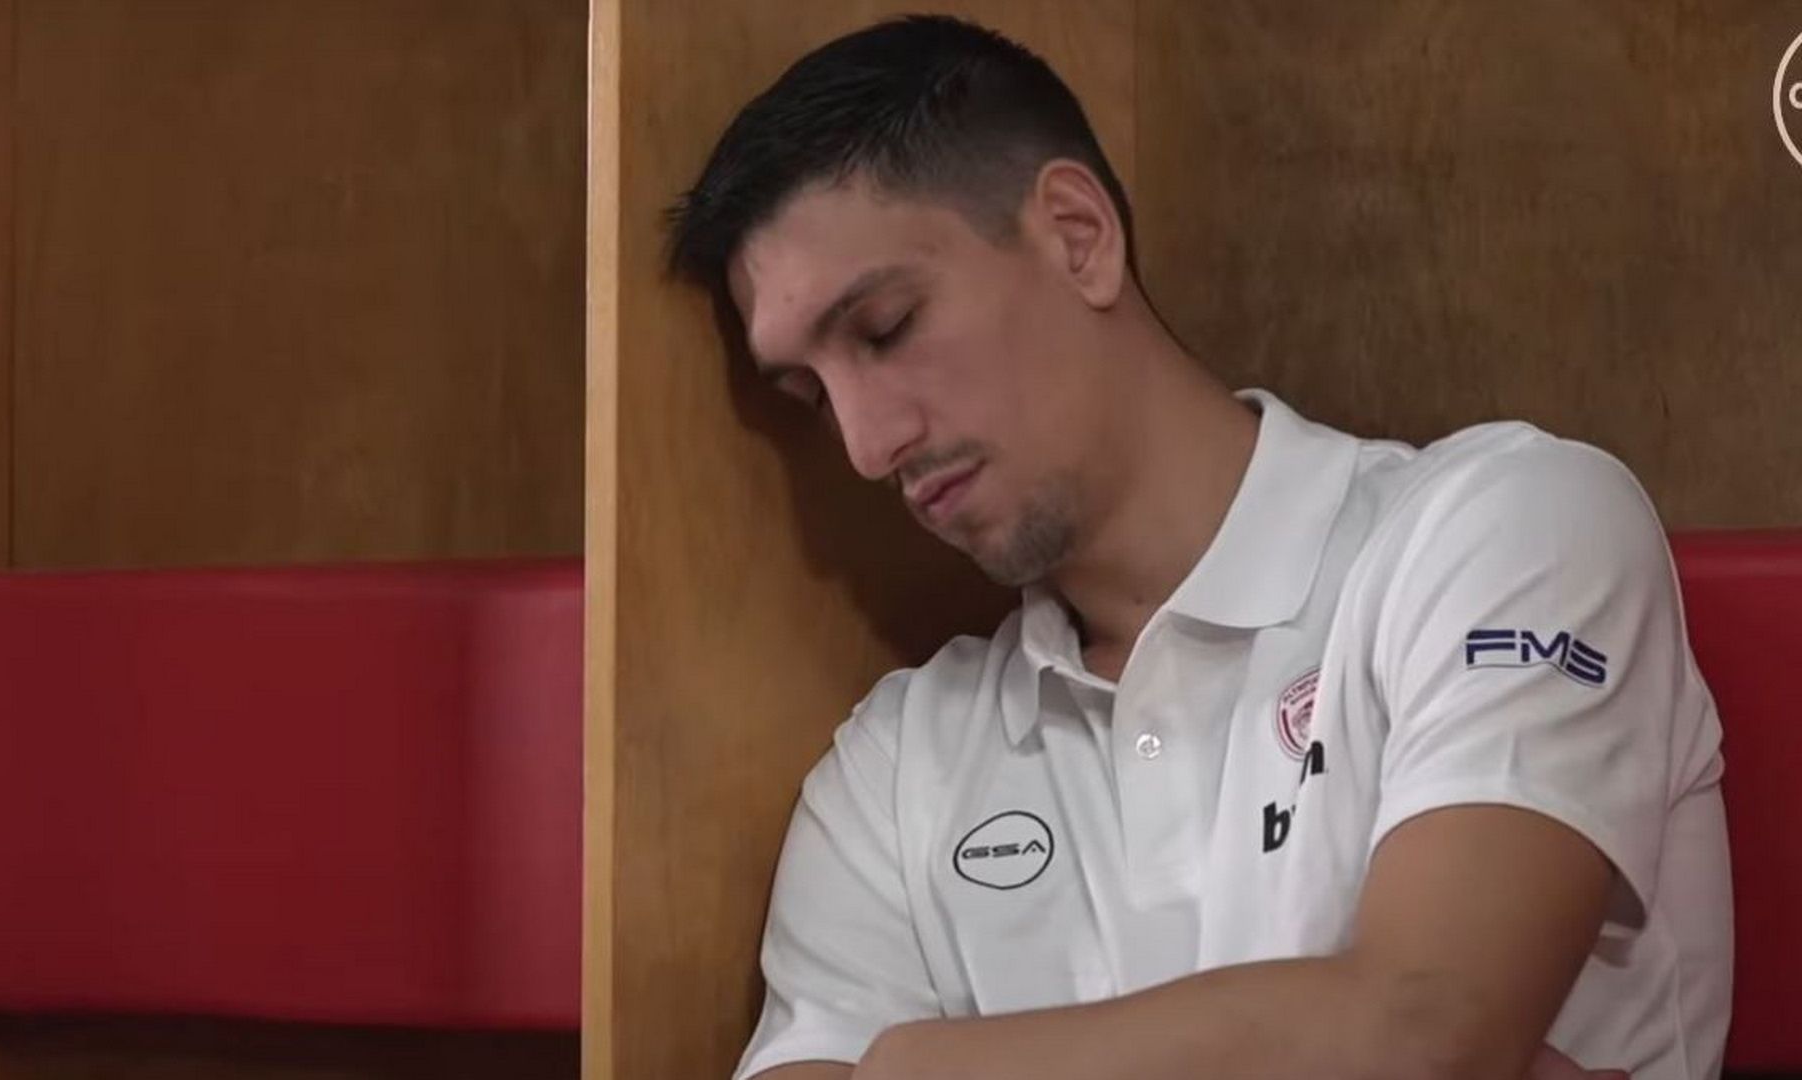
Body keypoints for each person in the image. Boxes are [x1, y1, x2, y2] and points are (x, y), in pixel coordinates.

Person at [666, 15, 1732, 1080]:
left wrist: (915, 1066)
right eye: (811, 395)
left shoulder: (1506, 527)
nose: (865, 446)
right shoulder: (896, 764)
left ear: (1077, 235)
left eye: (886, 327)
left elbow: (1424, 1032)